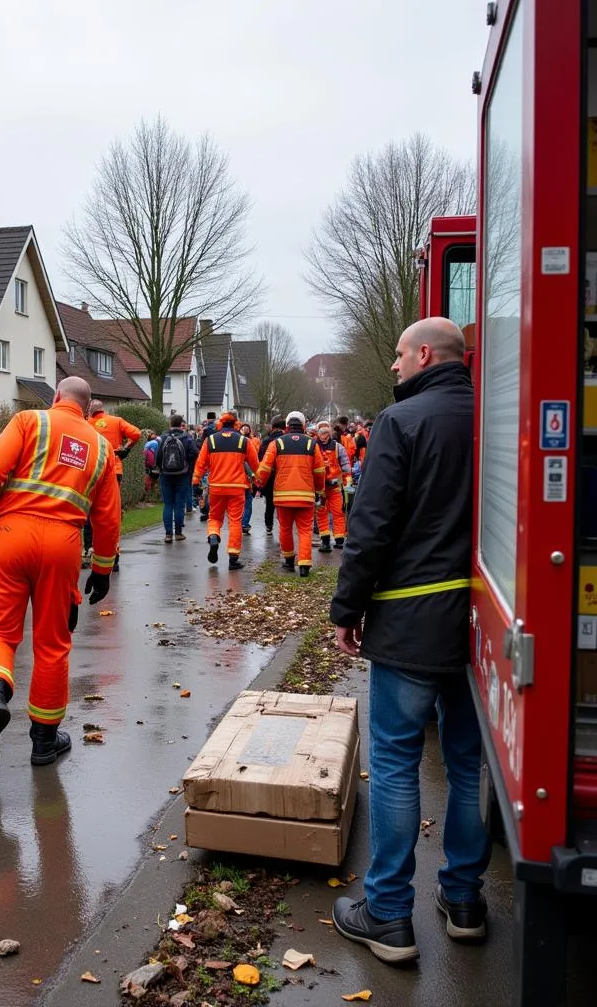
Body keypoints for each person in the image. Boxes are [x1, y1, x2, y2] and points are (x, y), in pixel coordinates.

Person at [329, 318, 489, 966]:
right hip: (481, 627)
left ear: (424, 355)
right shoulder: (496, 416)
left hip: (409, 622)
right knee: (469, 763)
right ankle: (465, 900)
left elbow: (371, 526)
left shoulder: (403, 422)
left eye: (398, 355)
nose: (392, 367)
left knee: (395, 761)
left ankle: (390, 914)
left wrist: (348, 608)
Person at [0, 377, 120, 770]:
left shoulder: (31, 421)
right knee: (52, 643)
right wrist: (102, 569)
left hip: (12, 534)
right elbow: (108, 519)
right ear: (87, 406)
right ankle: (44, 741)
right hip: (63, 545)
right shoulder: (102, 448)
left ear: (57, 397)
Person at [254, 411, 325, 577]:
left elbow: (265, 468)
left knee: (285, 529)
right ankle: (304, 565)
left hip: (283, 495)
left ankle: (288, 561)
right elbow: (320, 471)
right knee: (305, 530)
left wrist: (258, 484)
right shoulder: (312, 444)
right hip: (306, 495)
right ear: (304, 426)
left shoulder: (277, 443)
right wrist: (320, 491)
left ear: (287, 426)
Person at [191, 411, 260, 572]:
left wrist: (195, 482)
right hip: (237, 488)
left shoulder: (211, 441)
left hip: (216, 487)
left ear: (220, 424)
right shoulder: (244, 441)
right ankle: (233, 558)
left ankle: (214, 537)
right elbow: (256, 465)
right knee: (235, 521)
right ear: (236, 424)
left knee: (214, 518)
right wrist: (258, 482)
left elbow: (200, 464)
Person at [83, 399, 140, 572]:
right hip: (114, 470)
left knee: (89, 511)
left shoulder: (85, 424)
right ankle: (113, 556)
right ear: (103, 410)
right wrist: (126, 449)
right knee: (110, 514)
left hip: (91, 471)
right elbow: (136, 433)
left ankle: (88, 551)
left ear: (90, 411)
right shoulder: (116, 421)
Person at [155, 414, 198, 542]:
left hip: (166, 475)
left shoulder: (163, 438)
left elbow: (158, 457)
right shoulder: (187, 438)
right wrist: (187, 463)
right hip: (182, 475)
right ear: (181, 424)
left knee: (168, 504)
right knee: (179, 505)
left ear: (170, 424)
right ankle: (178, 533)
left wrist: (161, 468)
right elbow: (195, 453)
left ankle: (168, 534)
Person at [314, 420, 352, 553]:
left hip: (334, 487)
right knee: (322, 514)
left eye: (325, 430)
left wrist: (348, 486)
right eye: (321, 430)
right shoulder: (313, 446)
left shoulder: (337, 447)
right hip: (320, 488)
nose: (324, 433)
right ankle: (326, 542)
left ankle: (339, 541)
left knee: (337, 513)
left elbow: (346, 467)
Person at [258, 417, 287, 535]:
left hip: (270, 476)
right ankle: (283, 525)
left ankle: (269, 526)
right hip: (284, 475)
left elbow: (261, 459)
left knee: (270, 503)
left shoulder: (267, 440)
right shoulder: (287, 440)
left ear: (273, 426)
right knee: (283, 503)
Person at [239, 423, 256, 534]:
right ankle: (244, 524)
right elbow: (248, 461)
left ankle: (241, 523)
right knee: (247, 502)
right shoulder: (248, 442)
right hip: (244, 478)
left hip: (235, 478)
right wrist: (254, 476)